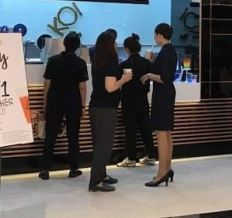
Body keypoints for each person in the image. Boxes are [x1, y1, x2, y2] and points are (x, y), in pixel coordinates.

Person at [39, 32, 88, 180]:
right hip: (73, 101)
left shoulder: (53, 60)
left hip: (55, 100)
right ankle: (74, 168)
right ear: (78, 46)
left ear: (64, 44)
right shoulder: (80, 63)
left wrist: (45, 104)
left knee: (50, 135)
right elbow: (82, 87)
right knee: (73, 136)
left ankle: (45, 170)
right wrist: (83, 106)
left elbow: (47, 84)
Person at [89, 31, 132, 192]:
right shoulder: (111, 63)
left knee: (100, 144)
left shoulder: (97, 62)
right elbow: (110, 87)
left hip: (96, 106)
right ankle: (96, 181)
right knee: (104, 145)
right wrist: (124, 80)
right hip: (106, 108)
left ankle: (102, 174)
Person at [141, 23, 177, 187]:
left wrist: (149, 75)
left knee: (161, 133)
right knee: (166, 133)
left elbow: (164, 78)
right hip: (166, 94)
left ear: (160, 35)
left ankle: (162, 172)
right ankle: (167, 169)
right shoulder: (170, 51)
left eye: (155, 35)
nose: (155, 38)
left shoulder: (166, 52)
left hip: (162, 95)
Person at [117, 33, 156, 168]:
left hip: (128, 101)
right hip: (143, 100)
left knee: (130, 130)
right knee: (146, 129)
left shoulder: (124, 64)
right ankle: (151, 156)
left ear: (127, 49)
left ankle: (131, 158)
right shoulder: (146, 63)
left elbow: (120, 82)